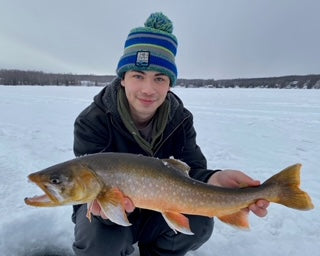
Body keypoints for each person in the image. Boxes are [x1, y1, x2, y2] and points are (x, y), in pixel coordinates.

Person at [72, 12, 269, 256]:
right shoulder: (93, 121)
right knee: (99, 240)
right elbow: (85, 185)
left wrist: (214, 179)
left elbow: (192, 169)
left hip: (162, 210)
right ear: (123, 79)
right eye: (138, 76)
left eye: (159, 78)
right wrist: (106, 208)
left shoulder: (180, 119)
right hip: (108, 214)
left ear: (170, 83)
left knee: (200, 223)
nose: (148, 89)